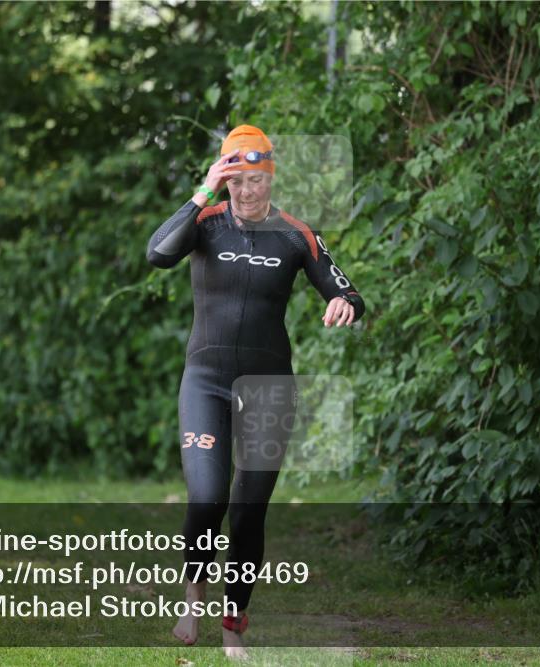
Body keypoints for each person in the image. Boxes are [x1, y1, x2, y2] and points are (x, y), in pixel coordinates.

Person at [146, 124, 366, 659]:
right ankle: (193, 592)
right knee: (207, 499)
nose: (247, 192)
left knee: (247, 511)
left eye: (256, 180)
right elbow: (157, 254)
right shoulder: (204, 222)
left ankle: (233, 623)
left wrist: (346, 304)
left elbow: (348, 290)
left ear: (270, 177)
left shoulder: (295, 234)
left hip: (269, 388)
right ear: (225, 179)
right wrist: (202, 191)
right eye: (236, 181)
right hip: (206, 382)